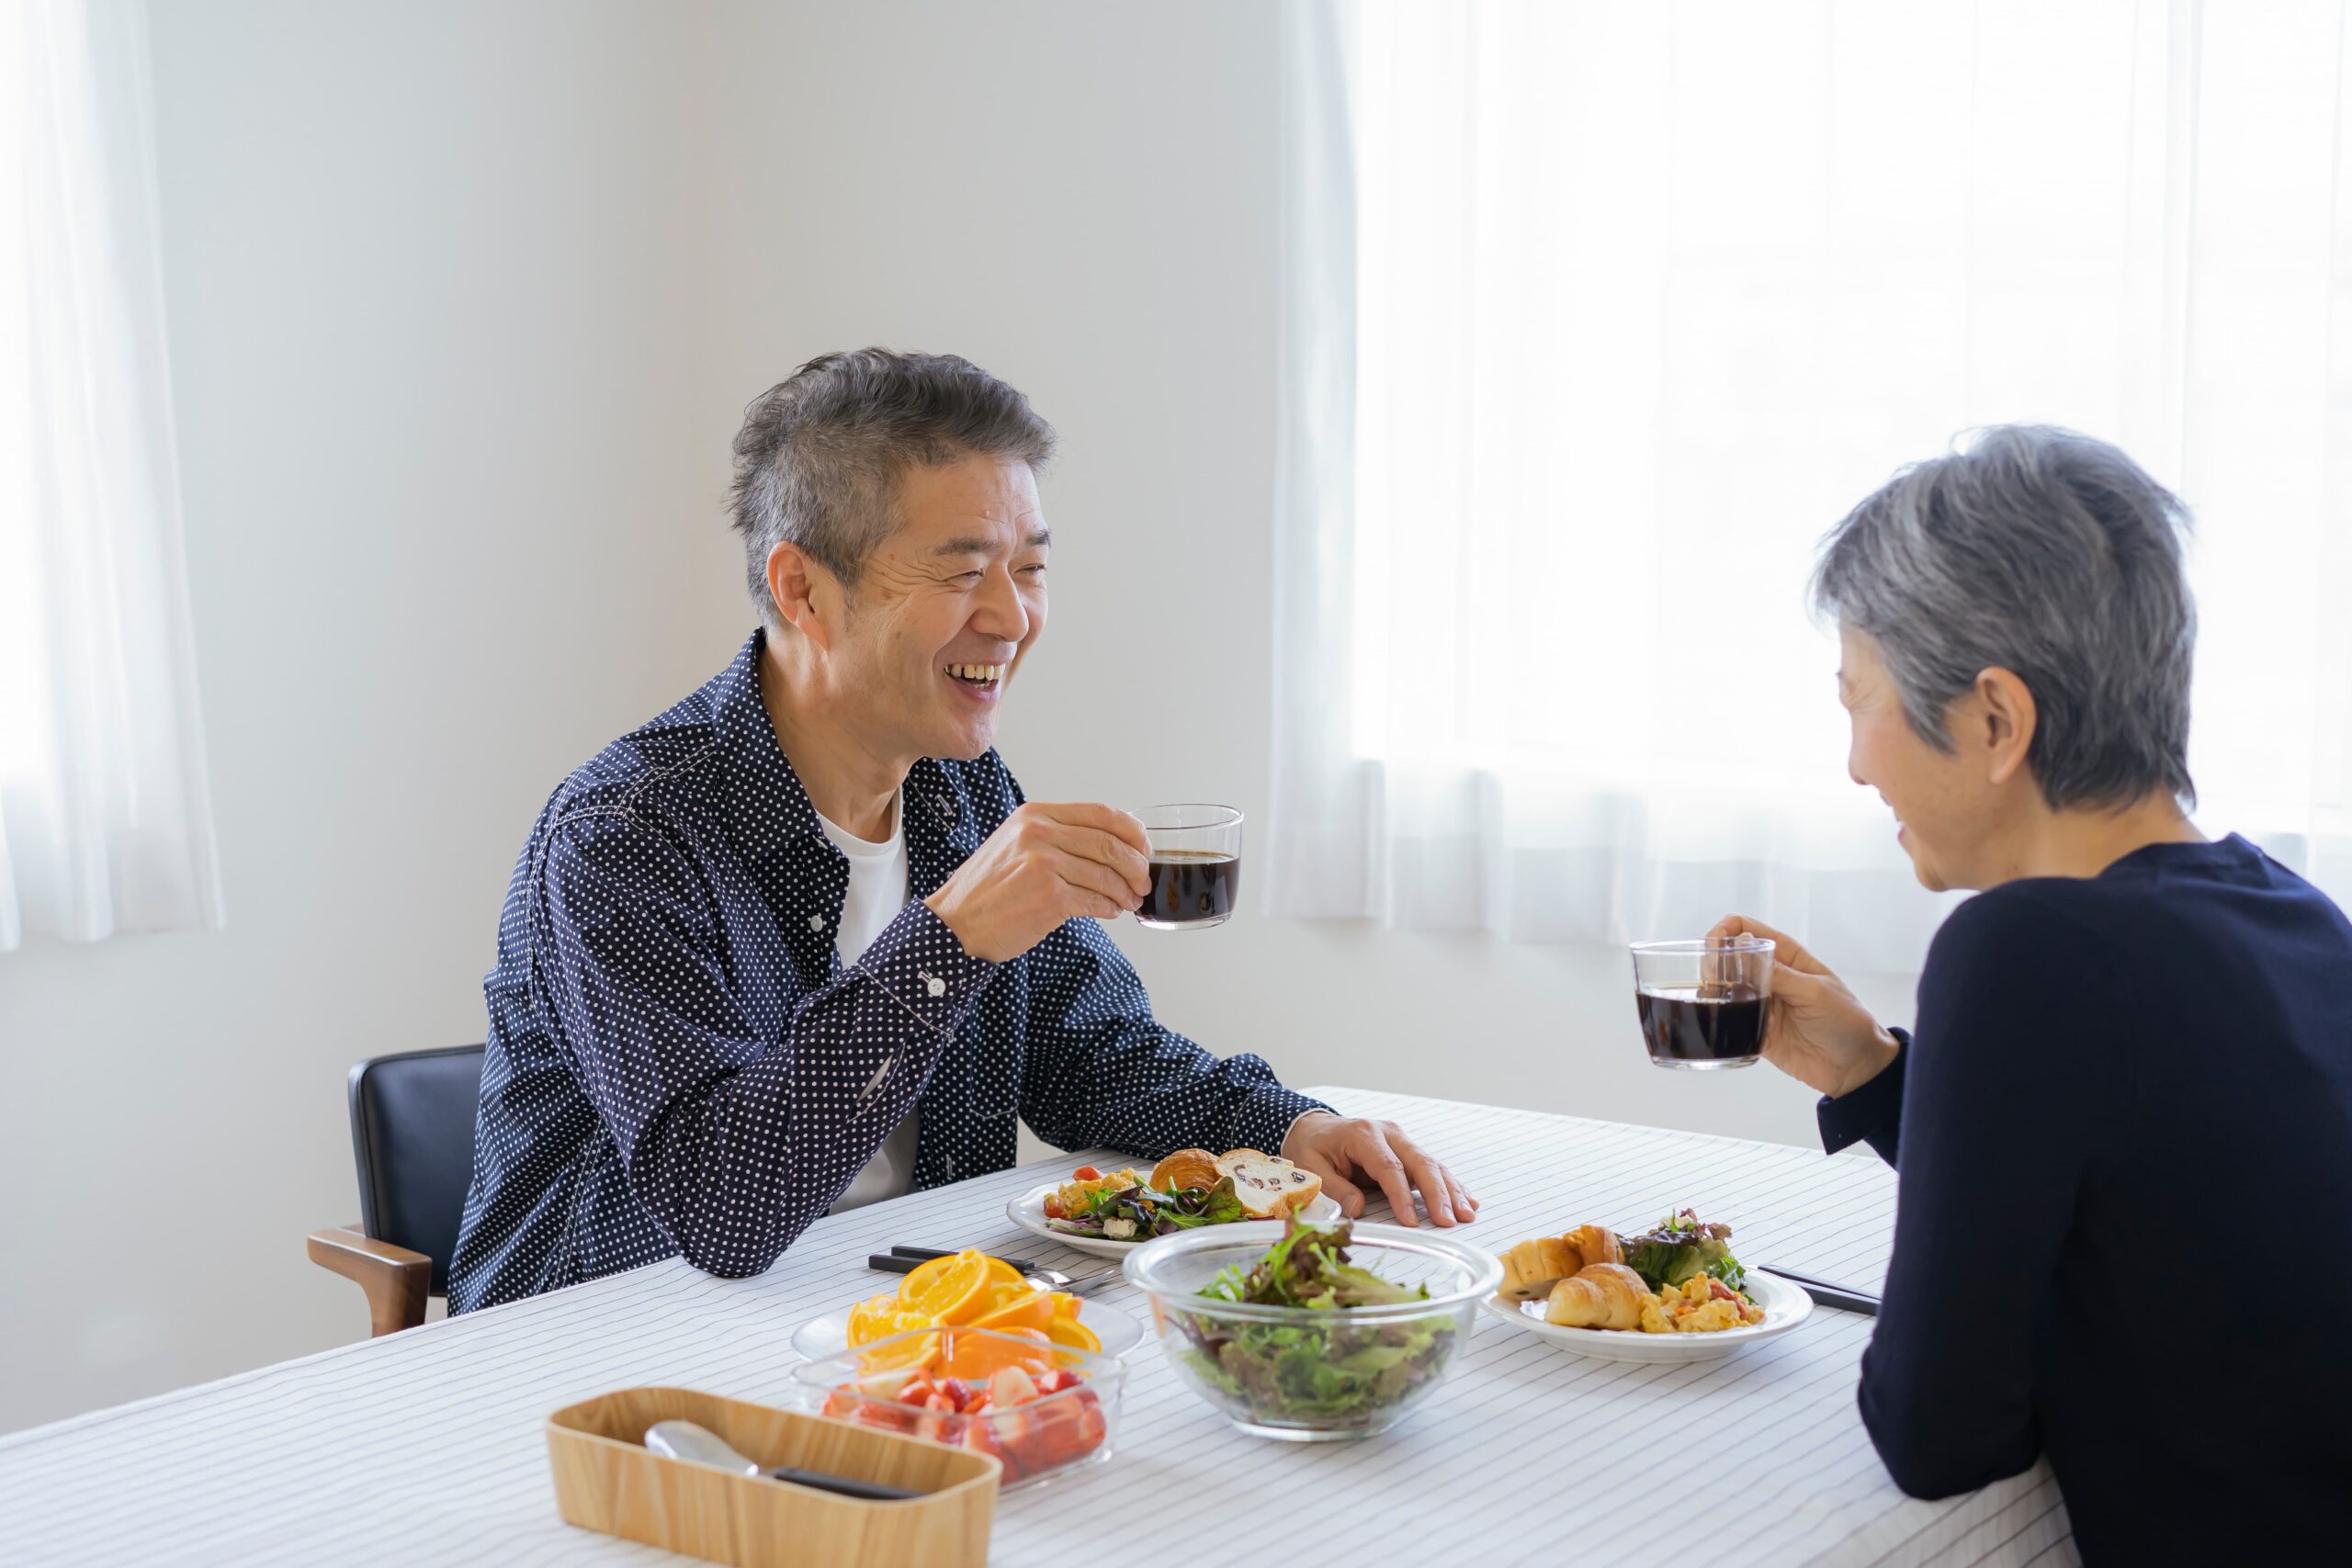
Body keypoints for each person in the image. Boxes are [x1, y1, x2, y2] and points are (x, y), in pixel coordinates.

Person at [447, 349, 1475, 1314]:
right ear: (802, 589)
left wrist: (1290, 1128)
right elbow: (723, 1208)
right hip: (595, 1352)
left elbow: (1091, 1055)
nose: (1012, 617)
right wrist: (949, 940)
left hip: (883, 1311)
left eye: (1028, 568)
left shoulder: (962, 791)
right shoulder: (624, 836)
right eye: (960, 571)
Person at [1712, 426, 2351, 1556]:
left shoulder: (2020, 947)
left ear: (1995, 720)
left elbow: (1937, 1433)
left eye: (1857, 699)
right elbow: (2155, 1217)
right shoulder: (2298, 920)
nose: (1855, 762)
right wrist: (1876, 1076)